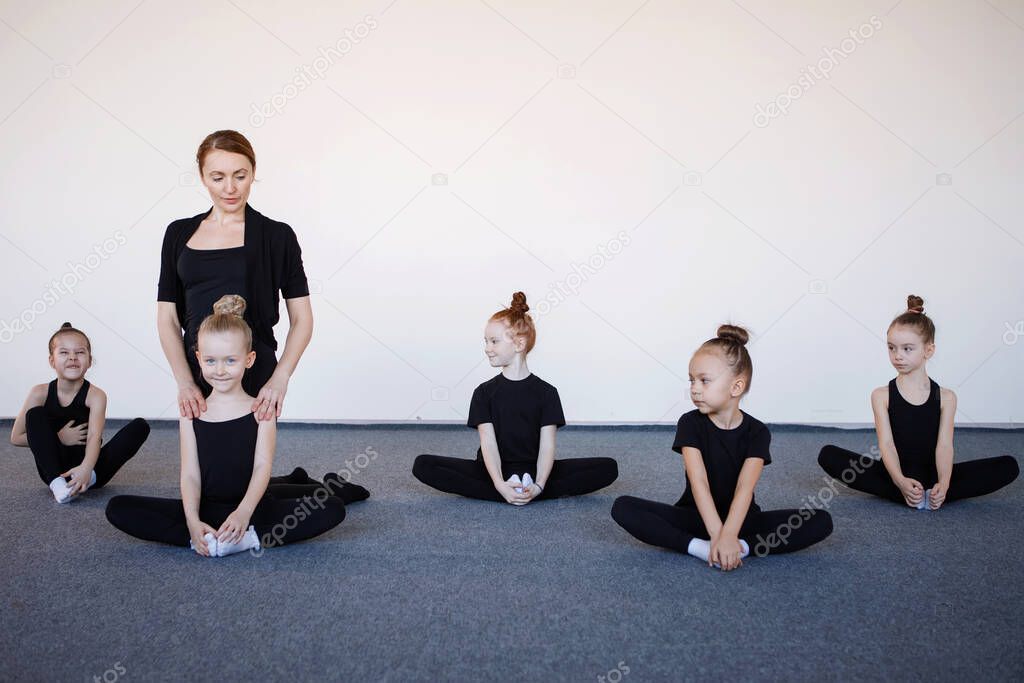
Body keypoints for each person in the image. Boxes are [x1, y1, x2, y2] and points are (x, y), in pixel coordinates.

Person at [106, 295, 349, 556]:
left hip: (253, 508)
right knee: (118, 507)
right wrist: (191, 520)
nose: (219, 370)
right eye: (210, 361)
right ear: (198, 358)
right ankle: (200, 536)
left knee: (332, 507)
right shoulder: (192, 412)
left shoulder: (260, 410)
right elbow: (190, 474)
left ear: (249, 359)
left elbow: (261, 467)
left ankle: (246, 538)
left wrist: (243, 513)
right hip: (206, 508)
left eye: (230, 360)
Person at [611, 324, 832, 570]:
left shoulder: (757, 432)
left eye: (704, 381)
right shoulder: (690, 423)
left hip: (742, 521)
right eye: (692, 380)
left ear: (736, 387)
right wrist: (717, 535)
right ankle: (701, 548)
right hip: (696, 516)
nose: (694, 388)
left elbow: (744, 488)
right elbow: (699, 482)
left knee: (820, 521)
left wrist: (729, 535)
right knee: (623, 507)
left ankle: (741, 548)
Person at [157, 129, 312, 422]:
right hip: (199, 373)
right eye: (218, 178)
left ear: (253, 173)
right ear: (203, 177)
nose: (230, 188)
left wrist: (281, 379)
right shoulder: (178, 233)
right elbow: (167, 317)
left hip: (256, 374)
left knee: (251, 465)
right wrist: (185, 381)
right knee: (201, 467)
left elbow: (302, 319)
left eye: (240, 176)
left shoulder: (277, 236)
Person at [413, 292, 618, 505]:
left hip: (535, 470)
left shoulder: (547, 393)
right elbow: (488, 443)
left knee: (608, 467)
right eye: (486, 341)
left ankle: (525, 490)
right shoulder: (483, 393)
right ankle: (509, 489)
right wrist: (500, 483)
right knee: (424, 465)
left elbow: (547, 446)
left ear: (519, 344)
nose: (487, 348)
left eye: (494, 341)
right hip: (492, 471)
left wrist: (539, 484)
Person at [818, 295, 1018, 509]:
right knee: (829, 455)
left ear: (928, 350)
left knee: (1008, 466)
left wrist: (944, 482)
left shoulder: (946, 397)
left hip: (933, 474)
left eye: (907, 348)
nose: (897, 356)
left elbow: (944, 446)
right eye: (891, 348)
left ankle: (934, 493)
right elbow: (886, 444)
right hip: (894, 474)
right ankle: (907, 492)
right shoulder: (881, 395)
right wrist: (900, 480)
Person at [10, 322, 150, 502]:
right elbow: (16, 437)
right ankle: (58, 485)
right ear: (52, 361)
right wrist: (58, 437)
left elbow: (94, 436)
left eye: (80, 352)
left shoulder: (96, 395)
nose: (72, 357)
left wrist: (86, 468)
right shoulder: (39, 393)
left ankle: (87, 479)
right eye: (64, 352)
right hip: (53, 468)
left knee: (140, 426)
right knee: (34, 414)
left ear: (90, 360)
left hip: (91, 467)